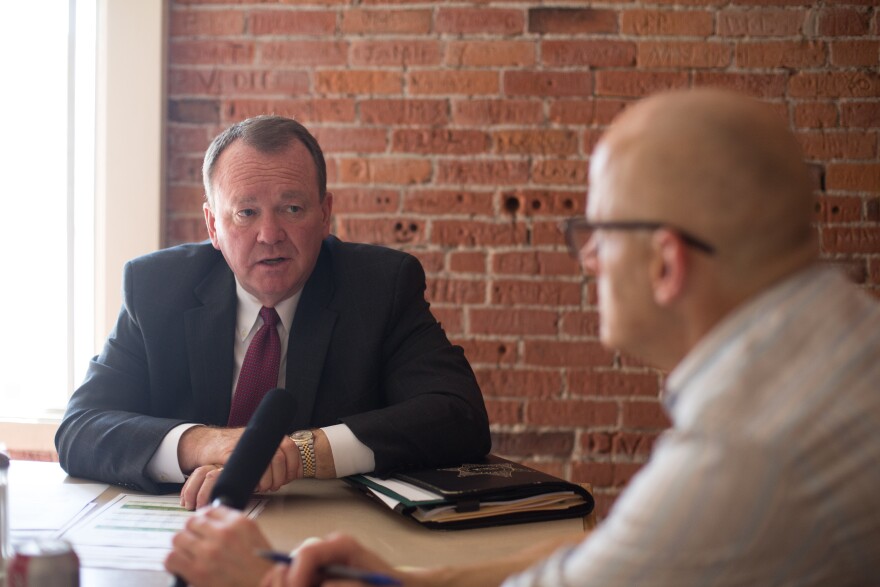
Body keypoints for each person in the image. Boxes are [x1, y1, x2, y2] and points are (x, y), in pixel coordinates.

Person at [165, 88, 880, 586]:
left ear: (666, 262)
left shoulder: (749, 448)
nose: (588, 257)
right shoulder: (835, 345)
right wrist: (402, 576)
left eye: (597, 231)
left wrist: (266, 578)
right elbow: (597, 564)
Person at [55, 115, 491, 509]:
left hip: (329, 536)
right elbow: (81, 429)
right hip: (189, 528)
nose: (270, 234)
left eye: (292, 208)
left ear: (325, 214)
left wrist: (298, 453)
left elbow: (459, 416)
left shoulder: (381, 285)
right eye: (246, 212)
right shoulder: (156, 288)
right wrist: (208, 445)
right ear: (213, 227)